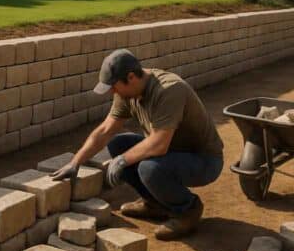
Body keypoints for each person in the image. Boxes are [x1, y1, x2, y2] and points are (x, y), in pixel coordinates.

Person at [50, 49, 223, 240]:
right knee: (118, 144)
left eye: (114, 86)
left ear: (131, 77)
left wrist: (123, 160)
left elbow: (159, 144)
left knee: (148, 169)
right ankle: (155, 203)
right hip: (171, 150)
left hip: (203, 159)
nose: (112, 92)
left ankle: (187, 210)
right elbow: (105, 130)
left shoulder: (169, 90)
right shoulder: (126, 93)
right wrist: (75, 162)